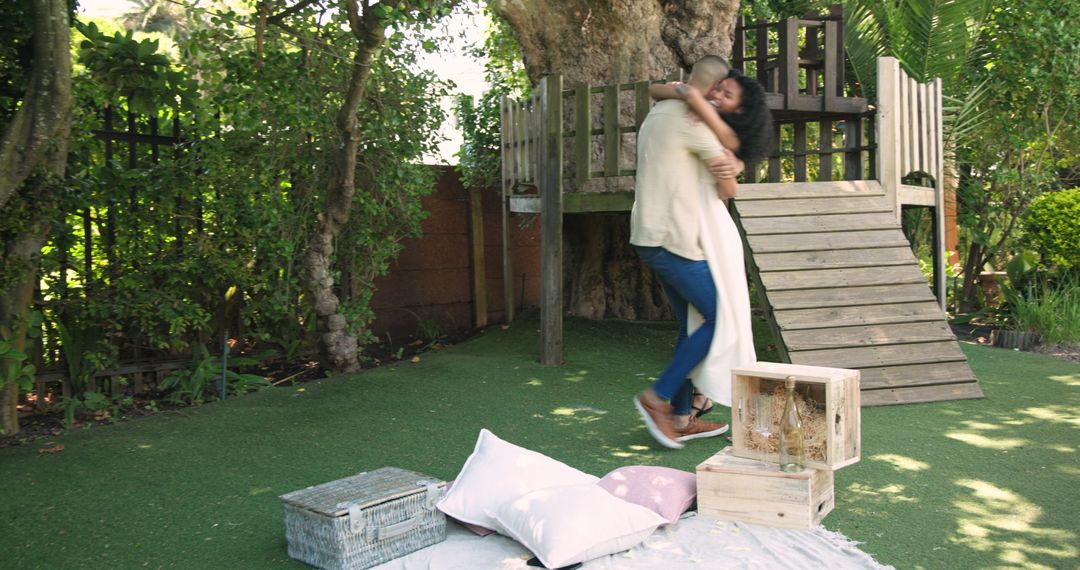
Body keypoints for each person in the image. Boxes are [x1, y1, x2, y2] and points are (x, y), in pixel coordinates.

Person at [629, 55, 743, 449]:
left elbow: (659, 90)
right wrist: (734, 167)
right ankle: (657, 397)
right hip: (674, 241)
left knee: (689, 323)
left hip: (650, 236)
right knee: (719, 316)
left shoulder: (659, 111)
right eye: (723, 92)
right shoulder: (694, 124)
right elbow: (728, 189)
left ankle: (680, 416)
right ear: (713, 89)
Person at [649, 70, 773, 421]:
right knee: (695, 319)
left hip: (711, 232)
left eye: (727, 95)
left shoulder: (722, 137)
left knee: (716, 316)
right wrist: (690, 96)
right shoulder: (695, 122)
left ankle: (684, 401)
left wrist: (696, 101)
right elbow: (654, 89)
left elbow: (728, 187)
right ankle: (682, 408)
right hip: (687, 229)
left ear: (740, 110)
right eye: (718, 88)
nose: (717, 95)